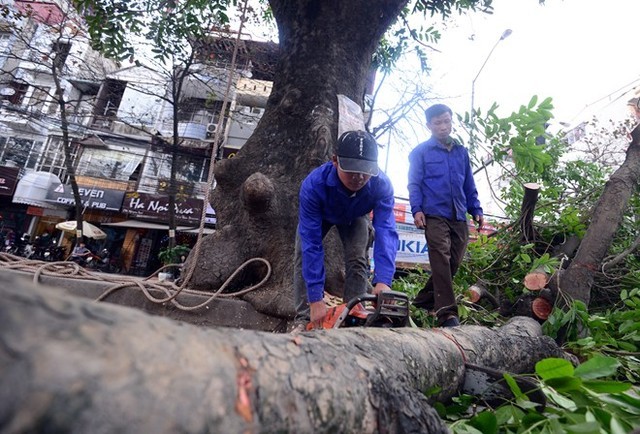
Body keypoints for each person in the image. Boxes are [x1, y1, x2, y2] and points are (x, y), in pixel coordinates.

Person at [292, 130, 398, 331]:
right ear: (335, 161)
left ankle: (354, 314)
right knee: (301, 253)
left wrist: (384, 280)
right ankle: (303, 318)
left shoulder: (381, 185)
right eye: (351, 170)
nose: (358, 177)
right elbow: (312, 245)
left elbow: (386, 230)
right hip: (321, 214)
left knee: (358, 257)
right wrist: (315, 297)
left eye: (365, 171)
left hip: (355, 215)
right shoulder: (313, 186)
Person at [407, 103, 483, 327]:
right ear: (429, 125)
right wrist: (417, 209)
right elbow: (414, 183)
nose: (443, 126)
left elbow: (468, 183)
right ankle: (447, 314)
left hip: (459, 214)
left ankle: (422, 302)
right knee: (440, 258)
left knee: (453, 263)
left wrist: (476, 209)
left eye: (447, 121)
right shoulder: (420, 152)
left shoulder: (461, 152)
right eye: (438, 123)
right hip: (434, 214)